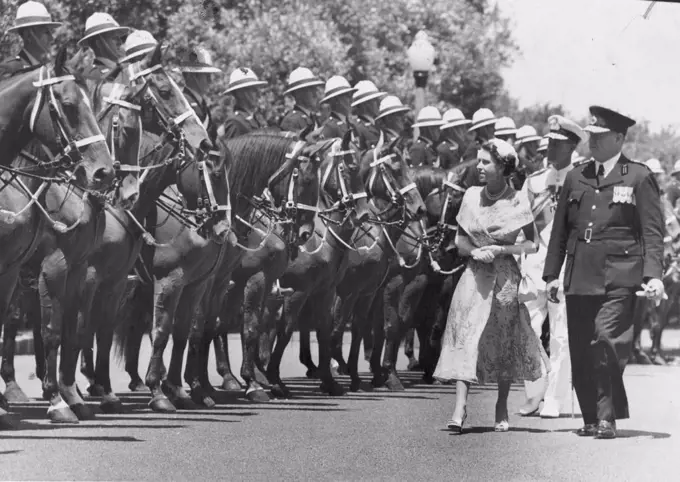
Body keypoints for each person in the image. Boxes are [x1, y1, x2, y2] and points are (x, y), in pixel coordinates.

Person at [543, 105, 665, 440]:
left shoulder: (638, 176)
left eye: (599, 136)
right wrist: (551, 275)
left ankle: (607, 417)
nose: (592, 141)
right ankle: (591, 416)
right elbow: (559, 232)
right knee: (582, 347)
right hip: (579, 273)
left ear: (619, 139)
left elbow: (652, 232)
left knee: (605, 341)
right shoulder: (576, 176)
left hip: (620, 276)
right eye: (590, 135)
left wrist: (653, 275)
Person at [434, 138, 545, 433]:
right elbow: (459, 241)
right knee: (464, 333)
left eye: (486, 162)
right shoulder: (470, 195)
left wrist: (501, 250)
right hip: (473, 274)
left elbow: (533, 244)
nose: (479, 167)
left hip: (505, 276)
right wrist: (474, 251)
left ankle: (501, 404)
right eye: (479, 161)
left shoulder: (518, 200)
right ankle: (459, 407)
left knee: (504, 338)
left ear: (503, 168)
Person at [518, 115, 586, 418]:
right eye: (550, 143)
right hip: (533, 268)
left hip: (563, 269)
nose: (550, 150)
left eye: (558, 145)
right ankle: (534, 394)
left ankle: (555, 398)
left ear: (572, 146)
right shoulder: (533, 182)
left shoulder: (582, 179)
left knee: (561, 336)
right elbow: (522, 227)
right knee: (528, 332)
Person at [0, 1, 61, 79]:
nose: (51, 38)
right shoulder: (10, 70)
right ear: (28, 35)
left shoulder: (47, 68)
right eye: (46, 32)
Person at [176, 46, 222, 143]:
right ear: (192, 76)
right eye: (207, 75)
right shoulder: (184, 103)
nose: (210, 80)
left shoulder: (201, 103)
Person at [77, 12, 129, 80]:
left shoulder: (126, 64)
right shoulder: (91, 75)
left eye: (118, 37)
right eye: (113, 38)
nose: (120, 41)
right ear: (98, 43)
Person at [220, 67, 268, 139]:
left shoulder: (256, 118)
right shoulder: (235, 123)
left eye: (257, 89)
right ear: (240, 93)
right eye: (253, 90)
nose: (258, 94)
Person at [279, 67, 324, 132]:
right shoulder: (291, 121)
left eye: (315, 88)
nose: (315, 93)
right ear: (298, 93)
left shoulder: (313, 118)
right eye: (310, 89)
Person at [350, 80, 386, 149]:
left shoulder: (378, 125)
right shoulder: (356, 128)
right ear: (365, 104)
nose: (379, 103)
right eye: (375, 100)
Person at [319, 75, 356, 139]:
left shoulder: (350, 124)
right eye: (347, 96)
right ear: (336, 100)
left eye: (351, 95)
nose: (351, 99)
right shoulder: (329, 127)